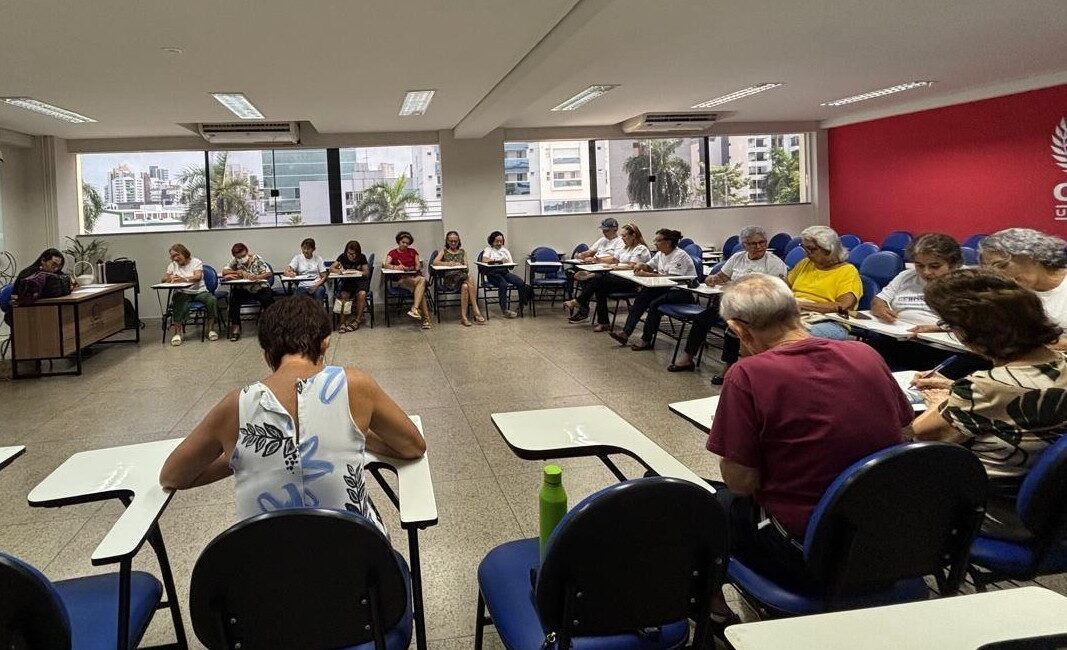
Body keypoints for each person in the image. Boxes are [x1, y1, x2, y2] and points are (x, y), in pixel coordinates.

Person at [707, 274, 910, 618]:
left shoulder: (747, 374)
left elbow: (741, 483)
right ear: (796, 311)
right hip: (887, 537)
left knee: (703, 506)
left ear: (738, 329)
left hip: (809, 549)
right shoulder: (866, 353)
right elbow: (905, 429)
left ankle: (714, 612)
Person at [159, 296, 426, 531]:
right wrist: (359, 435)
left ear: (267, 354)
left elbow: (172, 476)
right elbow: (413, 447)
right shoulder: (354, 384)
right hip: (358, 562)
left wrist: (240, 458)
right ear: (325, 344)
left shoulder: (236, 405)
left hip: (266, 569)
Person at [905, 269, 1067, 501]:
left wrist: (939, 402)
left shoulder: (985, 386)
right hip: (1051, 500)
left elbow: (918, 436)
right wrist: (956, 388)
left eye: (948, 325)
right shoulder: (1060, 362)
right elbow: (1014, 397)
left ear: (974, 331)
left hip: (986, 501)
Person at [668, 226, 787, 380]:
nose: (759, 246)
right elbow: (722, 276)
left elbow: (775, 290)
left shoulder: (774, 263)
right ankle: (688, 357)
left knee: (733, 327)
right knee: (701, 319)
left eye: (762, 242)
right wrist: (713, 279)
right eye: (753, 243)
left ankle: (729, 365)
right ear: (744, 245)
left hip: (756, 308)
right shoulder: (737, 258)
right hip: (732, 304)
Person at [866, 233, 965, 370]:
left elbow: (974, 323)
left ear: (953, 264)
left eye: (935, 266)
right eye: (919, 265)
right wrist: (880, 309)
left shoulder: (966, 282)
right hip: (896, 338)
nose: (926, 272)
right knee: (859, 359)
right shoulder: (906, 276)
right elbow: (879, 300)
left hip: (938, 346)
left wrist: (938, 328)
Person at [979, 228, 1067, 350]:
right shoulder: (1011, 292)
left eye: (1002, 265)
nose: (998, 275)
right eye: (991, 270)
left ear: (1033, 255)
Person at [609, 228, 697, 350]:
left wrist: (647, 275)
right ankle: (625, 333)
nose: (655, 243)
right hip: (665, 288)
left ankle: (646, 340)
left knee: (654, 304)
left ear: (668, 242)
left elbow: (672, 279)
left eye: (658, 241)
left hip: (682, 291)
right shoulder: (661, 253)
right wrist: (641, 265)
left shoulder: (680, 255)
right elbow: (650, 266)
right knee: (641, 297)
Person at [562, 222, 651, 329]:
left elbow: (632, 266)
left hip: (631, 282)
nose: (622, 238)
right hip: (617, 278)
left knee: (598, 281)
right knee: (599, 287)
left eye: (624, 236)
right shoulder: (626, 248)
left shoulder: (641, 249)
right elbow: (614, 260)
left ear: (633, 236)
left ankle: (579, 300)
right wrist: (599, 261)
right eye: (622, 236)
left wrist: (614, 267)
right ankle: (603, 322)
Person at [787, 225, 862, 340]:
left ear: (829, 250)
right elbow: (783, 287)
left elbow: (842, 306)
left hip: (831, 321)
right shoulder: (805, 263)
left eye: (812, 249)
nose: (807, 253)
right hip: (797, 314)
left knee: (788, 336)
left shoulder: (848, 271)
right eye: (804, 248)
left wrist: (801, 304)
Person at [161, 243, 220, 345]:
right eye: (173, 256)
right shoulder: (173, 265)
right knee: (178, 301)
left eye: (177, 255)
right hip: (182, 292)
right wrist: (170, 278)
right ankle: (177, 333)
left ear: (184, 253)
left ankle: (210, 330)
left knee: (212, 300)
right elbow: (163, 279)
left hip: (199, 292)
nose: (175, 258)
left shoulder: (196, 262)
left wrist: (183, 279)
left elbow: (197, 277)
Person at [5, 248, 73, 328]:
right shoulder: (29, 275)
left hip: (46, 310)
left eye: (58, 266)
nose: (55, 268)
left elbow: (69, 281)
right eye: (53, 264)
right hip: (22, 312)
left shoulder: (54, 274)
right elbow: (16, 296)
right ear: (43, 260)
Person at [222, 242, 275, 342]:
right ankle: (236, 328)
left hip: (259, 288)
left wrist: (257, 277)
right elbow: (224, 271)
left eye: (243, 256)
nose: (241, 259)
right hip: (244, 289)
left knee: (267, 299)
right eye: (238, 257)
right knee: (233, 299)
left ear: (246, 251)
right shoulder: (235, 261)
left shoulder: (257, 259)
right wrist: (238, 272)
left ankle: (272, 327)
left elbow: (268, 274)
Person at [433, 231, 484, 326]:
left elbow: (467, 268)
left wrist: (460, 265)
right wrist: (448, 263)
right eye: (451, 241)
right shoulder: (444, 251)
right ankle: (475, 309)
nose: (453, 243)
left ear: (458, 241)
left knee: (465, 287)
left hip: (462, 278)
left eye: (455, 241)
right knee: (470, 278)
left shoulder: (462, 252)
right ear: (447, 241)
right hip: (450, 280)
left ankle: (464, 317)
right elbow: (435, 262)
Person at [384, 231, 431, 329]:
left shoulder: (413, 252)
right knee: (421, 284)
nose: (405, 245)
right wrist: (397, 267)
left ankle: (416, 309)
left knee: (420, 285)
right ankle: (424, 318)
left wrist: (410, 268)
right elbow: (386, 265)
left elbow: (418, 266)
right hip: (403, 279)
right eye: (403, 242)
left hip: (415, 277)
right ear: (398, 241)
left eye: (407, 243)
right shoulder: (392, 253)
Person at [480, 231, 531, 318]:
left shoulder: (505, 251)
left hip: (504, 272)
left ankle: (521, 307)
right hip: (493, 274)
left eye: (501, 241)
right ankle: (504, 310)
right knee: (503, 284)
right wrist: (499, 261)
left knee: (520, 282)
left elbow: (511, 267)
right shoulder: (488, 250)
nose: (499, 243)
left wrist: (507, 262)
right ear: (492, 241)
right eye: (497, 241)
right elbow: (484, 260)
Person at [568, 217, 626, 292]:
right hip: (594, 265)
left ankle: (590, 277)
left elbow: (615, 259)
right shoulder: (602, 240)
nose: (604, 232)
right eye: (603, 230)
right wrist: (581, 255)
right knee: (569, 271)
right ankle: (586, 281)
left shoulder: (620, 241)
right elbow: (590, 252)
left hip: (605, 268)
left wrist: (596, 260)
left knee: (594, 280)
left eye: (606, 230)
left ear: (615, 229)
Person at [330, 240, 370, 332]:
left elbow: (366, 272)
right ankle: (342, 322)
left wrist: (358, 272)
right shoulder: (342, 256)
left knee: (362, 294)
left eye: (353, 254)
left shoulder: (362, 257)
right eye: (349, 253)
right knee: (344, 295)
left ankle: (357, 321)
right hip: (348, 281)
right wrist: (340, 271)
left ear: (357, 253)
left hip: (360, 282)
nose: (350, 256)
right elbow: (331, 268)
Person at [283, 237, 328, 302]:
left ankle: (318, 308)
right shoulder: (297, 258)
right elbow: (286, 271)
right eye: (304, 248)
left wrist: (315, 286)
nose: (306, 251)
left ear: (313, 249)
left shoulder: (318, 259)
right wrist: (290, 273)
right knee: (298, 295)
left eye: (308, 249)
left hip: (317, 285)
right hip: (303, 286)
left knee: (319, 291)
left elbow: (324, 276)